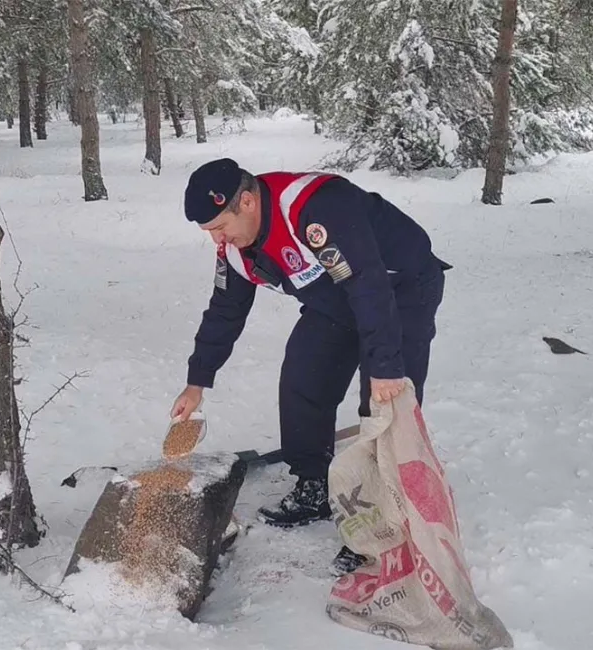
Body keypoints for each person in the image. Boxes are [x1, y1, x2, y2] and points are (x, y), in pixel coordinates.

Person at [171, 158, 449, 567]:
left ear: (246, 202)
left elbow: (368, 285)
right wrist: (197, 381)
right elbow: (224, 312)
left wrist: (386, 366)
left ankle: (382, 521)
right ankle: (313, 483)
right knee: (303, 379)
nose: (217, 239)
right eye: (209, 231)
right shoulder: (235, 248)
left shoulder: (312, 208)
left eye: (220, 226)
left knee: (383, 405)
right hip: (335, 299)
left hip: (398, 287)